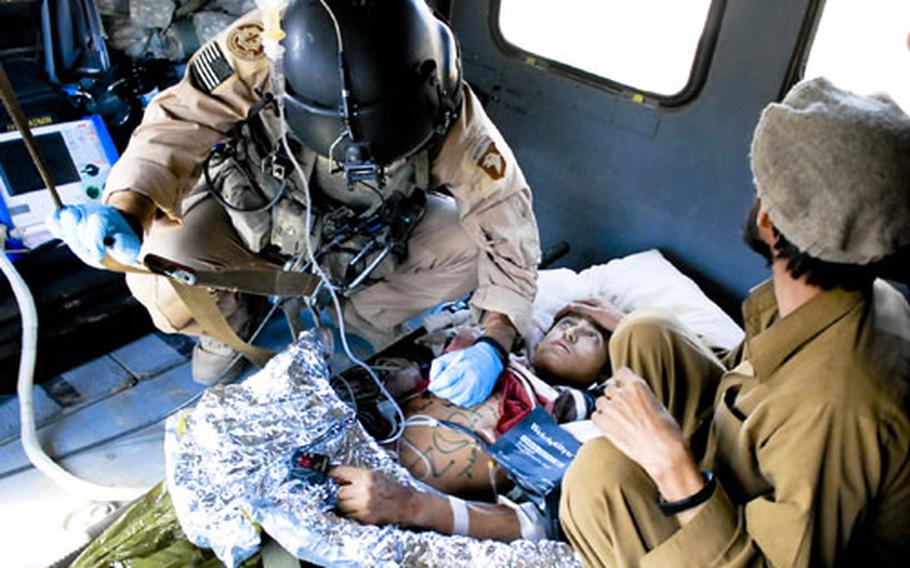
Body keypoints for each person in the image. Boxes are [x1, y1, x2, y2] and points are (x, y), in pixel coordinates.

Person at [45, 0, 540, 386]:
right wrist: (126, 207)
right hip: (253, 219)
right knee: (159, 263)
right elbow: (182, 119)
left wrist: (494, 339)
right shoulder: (263, 44)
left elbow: (507, 223)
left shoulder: (449, 104)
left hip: (365, 236)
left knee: (472, 248)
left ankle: (360, 324)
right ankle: (233, 327)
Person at [558, 77, 910, 567]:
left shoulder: (840, 402)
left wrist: (672, 467)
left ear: (767, 220)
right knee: (647, 333)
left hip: (760, 551)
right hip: (757, 475)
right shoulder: (854, 298)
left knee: (600, 478)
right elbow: (756, 387)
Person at [330, 300, 633, 542]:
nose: (569, 334)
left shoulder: (573, 411)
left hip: (404, 511)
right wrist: (400, 385)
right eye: (566, 324)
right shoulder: (485, 354)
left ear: (602, 374)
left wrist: (625, 328)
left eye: (590, 337)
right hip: (360, 448)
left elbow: (641, 380)